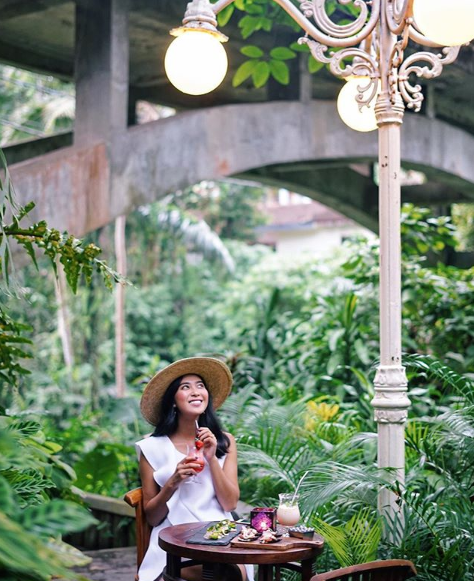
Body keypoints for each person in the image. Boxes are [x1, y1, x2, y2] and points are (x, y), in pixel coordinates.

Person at [136, 356, 253, 581]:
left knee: (231, 573)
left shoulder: (225, 442)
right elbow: (152, 518)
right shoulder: (151, 447)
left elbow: (229, 503)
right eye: (185, 387)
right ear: (173, 400)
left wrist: (211, 458)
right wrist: (173, 481)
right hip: (173, 539)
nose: (196, 391)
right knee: (220, 574)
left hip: (221, 535)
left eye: (200, 386)